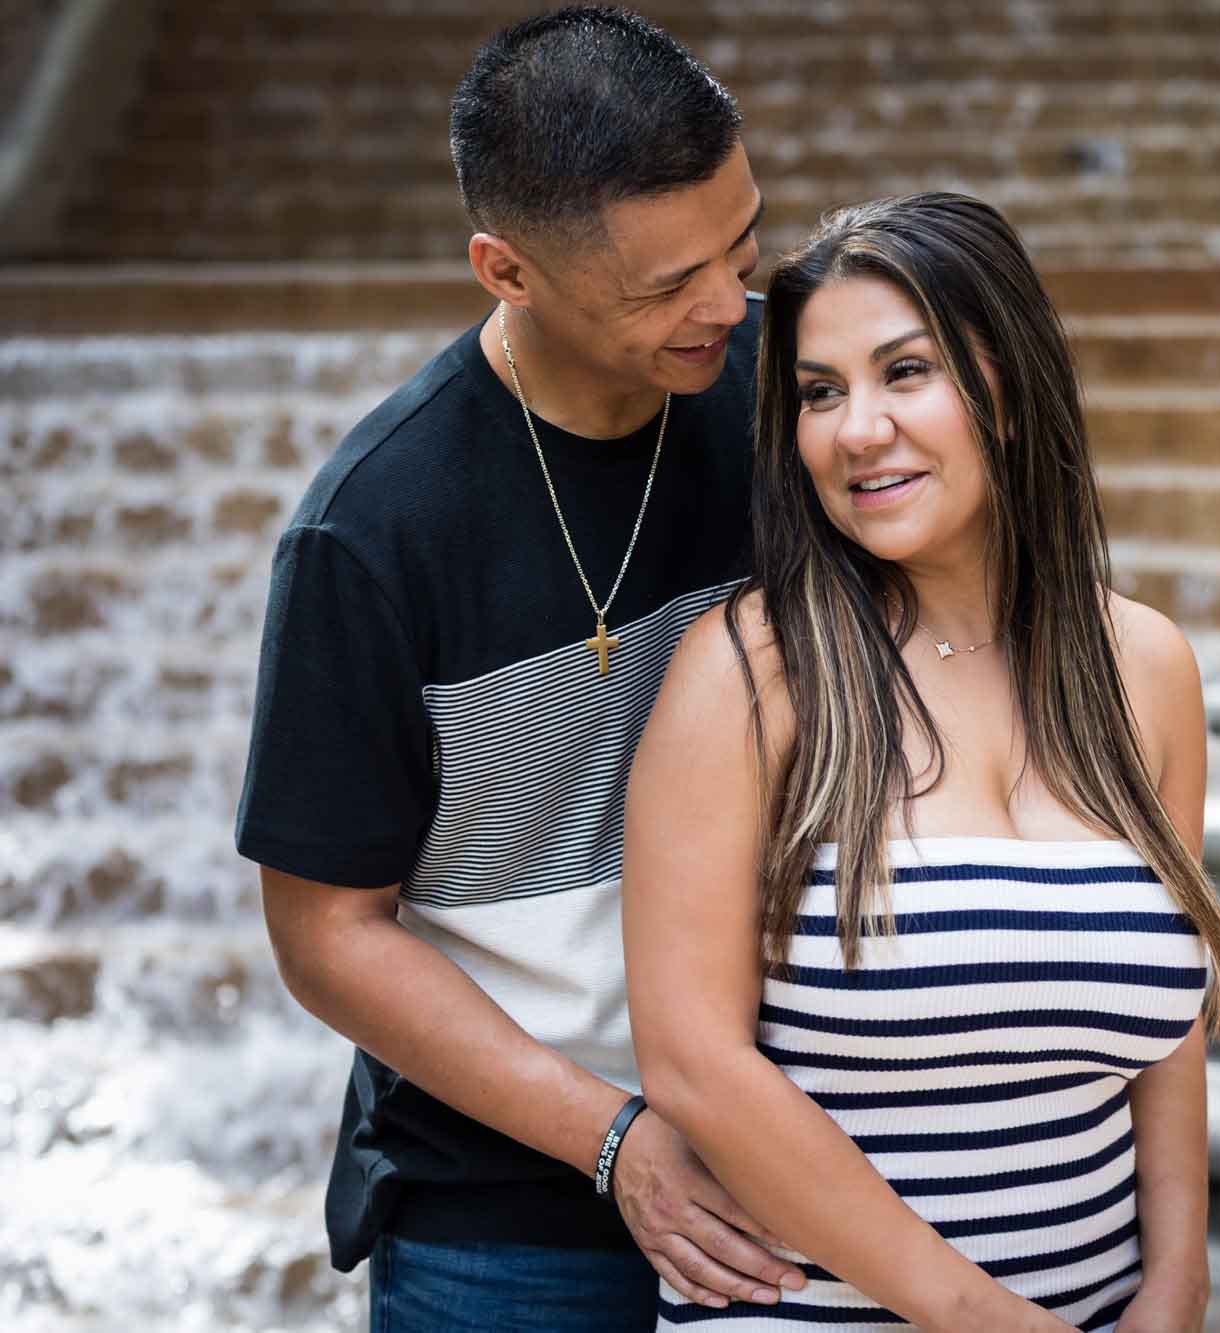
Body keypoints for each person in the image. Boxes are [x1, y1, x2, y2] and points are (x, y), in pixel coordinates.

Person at [234, 8, 806, 1328]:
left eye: (743, 242)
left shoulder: (792, 386)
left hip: (799, 1143)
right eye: (667, 285)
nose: (724, 304)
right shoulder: (370, 533)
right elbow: (326, 936)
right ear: (508, 271)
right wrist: (613, 1137)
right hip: (502, 1209)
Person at [622, 192, 1220, 1332]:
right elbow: (694, 1067)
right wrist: (978, 1316)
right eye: (819, 392)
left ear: (1005, 387)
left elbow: (1167, 1037)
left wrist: (1178, 1285)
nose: (855, 429)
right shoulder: (747, 672)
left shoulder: (1145, 667)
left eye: (903, 372)